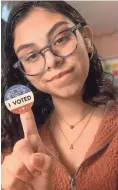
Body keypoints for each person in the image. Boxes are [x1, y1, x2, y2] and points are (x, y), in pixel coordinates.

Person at [1, 1, 118, 190]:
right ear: (24, 72)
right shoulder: (13, 148)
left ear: (86, 39)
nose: (51, 61)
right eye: (31, 56)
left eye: (61, 39)